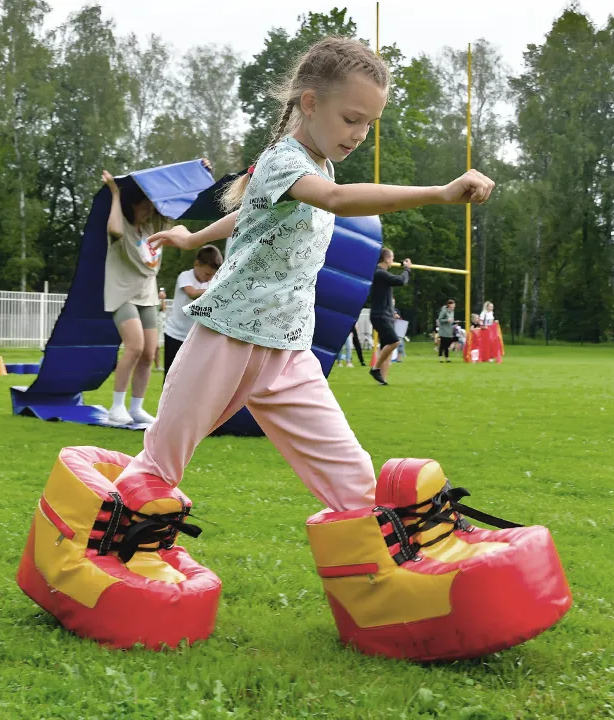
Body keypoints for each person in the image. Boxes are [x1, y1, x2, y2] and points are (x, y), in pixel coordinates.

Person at [115, 37, 494, 516]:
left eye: (369, 124)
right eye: (351, 119)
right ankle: (103, 549)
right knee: (161, 462)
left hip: (289, 350)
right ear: (311, 103)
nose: (359, 134)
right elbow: (336, 201)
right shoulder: (284, 159)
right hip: (229, 337)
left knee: (353, 481)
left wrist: (191, 240)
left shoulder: (320, 166)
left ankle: (381, 562)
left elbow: (251, 214)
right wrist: (440, 192)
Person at [102, 170, 172, 426]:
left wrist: (200, 172)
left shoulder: (153, 227)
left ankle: (136, 408)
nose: (149, 211)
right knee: (135, 346)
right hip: (122, 294)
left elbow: (176, 207)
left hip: (147, 295)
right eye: (144, 207)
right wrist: (115, 193)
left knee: (149, 351)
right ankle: (116, 407)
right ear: (133, 205)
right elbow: (114, 228)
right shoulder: (120, 226)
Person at [162, 244, 223, 378]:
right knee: (170, 377)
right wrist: (215, 290)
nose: (209, 278)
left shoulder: (212, 282)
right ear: (197, 264)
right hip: (175, 335)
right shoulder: (185, 276)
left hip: (197, 339)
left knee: (192, 377)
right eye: (207, 273)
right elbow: (192, 293)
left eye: (213, 275)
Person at [369, 249, 411, 385]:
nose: (393, 260)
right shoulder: (380, 273)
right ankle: (375, 369)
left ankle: (383, 379)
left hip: (385, 315)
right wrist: (407, 269)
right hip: (380, 316)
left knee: (387, 347)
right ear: (387, 259)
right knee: (394, 342)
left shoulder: (381, 274)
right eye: (392, 258)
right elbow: (401, 281)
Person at [154, 288, 167, 372]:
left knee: (157, 346)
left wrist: (162, 299)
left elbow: (163, 309)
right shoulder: (153, 299)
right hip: (152, 323)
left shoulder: (162, 301)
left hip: (158, 324)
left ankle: (157, 365)